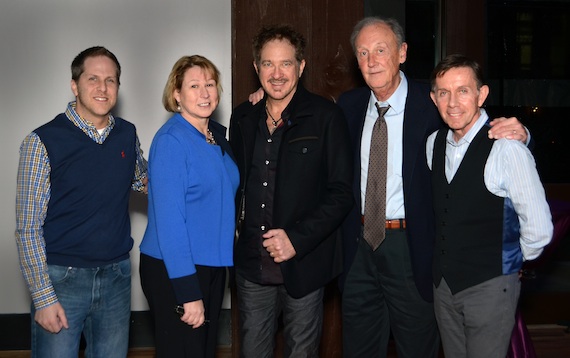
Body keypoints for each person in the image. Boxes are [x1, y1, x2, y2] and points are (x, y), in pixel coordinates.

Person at [337, 17, 531, 357]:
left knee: (418, 346)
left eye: (381, 50)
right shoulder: (348, 106)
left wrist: (523, 134)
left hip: (412, 247)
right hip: (358, 249)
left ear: (402, 53)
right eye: (363, 53)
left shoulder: (433, 103)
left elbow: (476, 127)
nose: (371, 61)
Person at [15, 46, 147, 358]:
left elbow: (147, 184)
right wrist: (44, 297)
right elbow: (27, 229)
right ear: (75, 85)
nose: (103, 88)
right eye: (93, 79)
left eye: (111, 80)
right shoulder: (42, 141)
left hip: (116, 276)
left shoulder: (127, 134)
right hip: (62, 280)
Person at [229, 24, 353, 357]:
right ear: (256, 69)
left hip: (304, 267)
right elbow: (233, 185)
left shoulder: (326, 117)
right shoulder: (242, 117)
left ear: (301, 66)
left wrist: (296, 239)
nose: (277, 73)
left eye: (286, 63)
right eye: (268, 64)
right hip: (252, 268)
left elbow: (341, 193)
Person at [426, 53, 552, 357]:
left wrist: (511, 263)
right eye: (444, 93)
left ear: (482, 94)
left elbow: (539, 228)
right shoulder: (434, 144)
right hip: (444, 288)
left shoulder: (507, 148)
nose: (453, 102)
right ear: (434, 98)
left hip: (490, 287)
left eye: (463, 91)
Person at [139, 55, 239, 358]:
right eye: (194, 86)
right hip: (177, 269)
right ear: (176, 95)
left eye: (210, 84)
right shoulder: (172, 141)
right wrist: (188, 292)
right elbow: (170, 224)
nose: (205, 93)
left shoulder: (215, 137)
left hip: (211, 265)